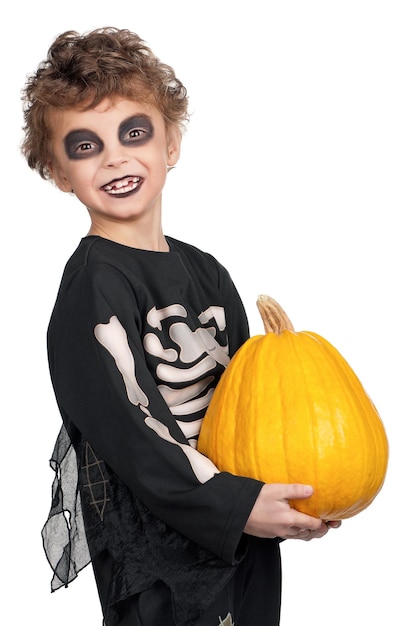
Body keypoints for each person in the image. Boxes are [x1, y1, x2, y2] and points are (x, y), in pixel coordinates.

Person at [21, 27, 340, 626]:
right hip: (157, 554)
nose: (115, 157)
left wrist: (297, 491)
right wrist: (236, 504)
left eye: (134, 133)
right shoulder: (94, 282)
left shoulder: (206, 271)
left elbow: (255, 401)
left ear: (171, 143)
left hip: (240, 534)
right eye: (84, 145)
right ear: (58, 172)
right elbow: (131, 436)